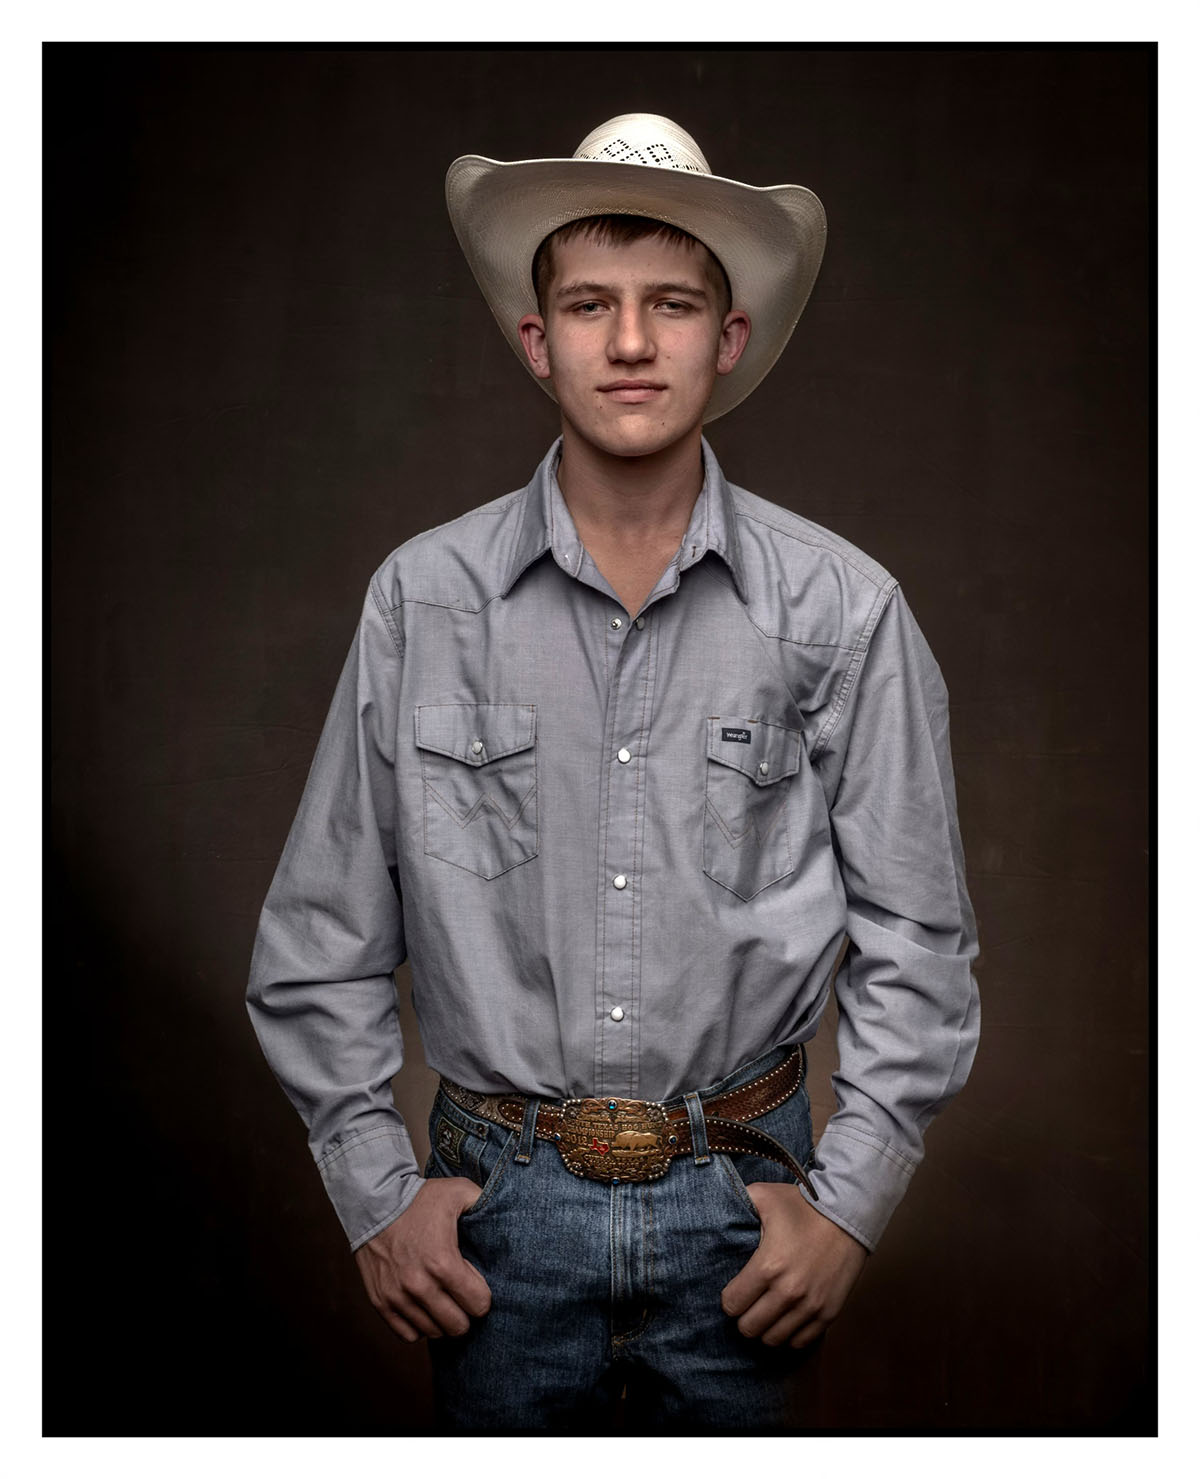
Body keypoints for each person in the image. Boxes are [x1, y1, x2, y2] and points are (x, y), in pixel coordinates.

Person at [247, 113, 980, 1434]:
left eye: (673, 305)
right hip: (494, 1217)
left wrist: (850, 1208)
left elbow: (919, 938)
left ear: (728, 337)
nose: (631, 341)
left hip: (747, 1211)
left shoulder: (846, 613)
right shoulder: (423, 601)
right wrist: (372, 1195)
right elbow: (318, 939)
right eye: (589, 305)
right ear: (538, 342)